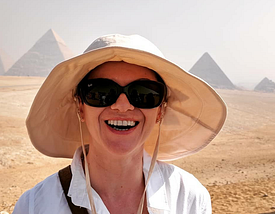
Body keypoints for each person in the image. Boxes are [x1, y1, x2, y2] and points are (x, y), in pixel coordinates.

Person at [13, 34, 227, 214]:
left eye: (144, 94)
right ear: (80, 106)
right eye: (102, 92)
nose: (122, 105)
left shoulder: (188, 197)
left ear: (161, 110)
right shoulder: (34, 206)